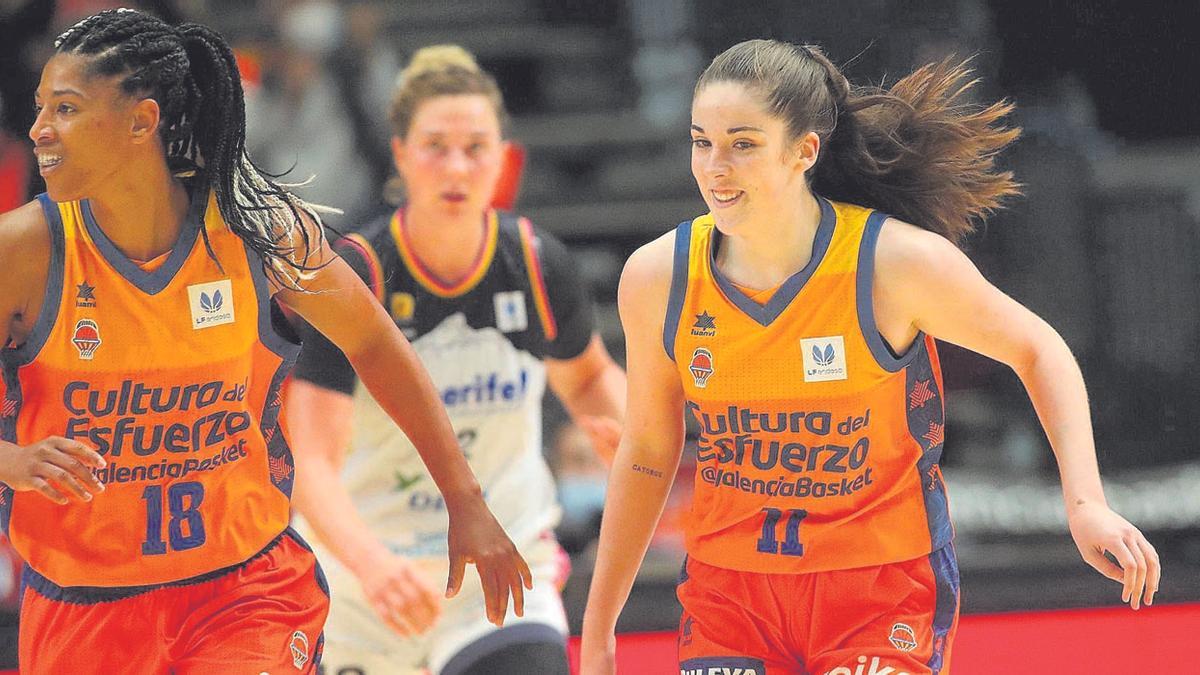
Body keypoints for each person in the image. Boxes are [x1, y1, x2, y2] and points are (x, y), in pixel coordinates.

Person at [580, 39, 1161, 675]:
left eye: (742, 143)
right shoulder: (657, 276)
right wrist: (600, 621)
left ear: (805, 149)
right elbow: (647, 452)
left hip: (881, 588)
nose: (715, 166)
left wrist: (1085, 505)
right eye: (702, 141)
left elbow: (1038, 348)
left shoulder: (894, 264)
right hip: (730, 592)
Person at [0, 10, 529, 674]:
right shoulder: (23, 251)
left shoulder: (257, 232)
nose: (39, 129)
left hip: (245, 590)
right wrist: (13, 463)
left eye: (66, 108)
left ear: (142, 122)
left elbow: (375, 343)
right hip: (83, 603)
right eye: (41, 107)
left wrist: (464, 499)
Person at [285, 45, 625, 675]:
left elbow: (590, 378)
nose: (457, 166)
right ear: (401, 155)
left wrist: (635, 434)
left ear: (504, 157)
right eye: (437, 145)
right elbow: (310, 463)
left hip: (497, 574)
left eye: (476, 147)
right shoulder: (356, 274)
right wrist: (372, 565)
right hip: (367, 584)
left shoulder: (534, 261)